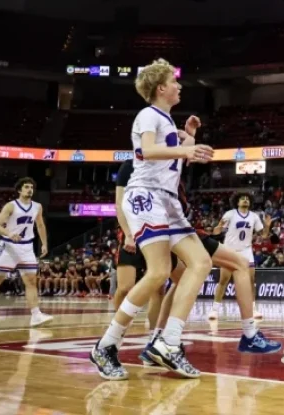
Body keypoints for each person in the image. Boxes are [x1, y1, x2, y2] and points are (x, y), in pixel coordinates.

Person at [88, 58, 215, 381]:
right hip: (145, 196)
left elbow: (169, 154)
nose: (179, 86)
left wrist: (187, 138)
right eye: (174, 82)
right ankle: (107, 344)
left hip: (168, 201)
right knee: (158, 272)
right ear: (161, 88)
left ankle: (169, 342)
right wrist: (186, 150)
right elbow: (146, 151)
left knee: (200, 263)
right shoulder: (148, 114)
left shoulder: (166, 121)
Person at [143, 115, 281, 362]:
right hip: (178, 226)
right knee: (235, 265)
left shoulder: (157, 164)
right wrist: (188, 139)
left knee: (179, 281)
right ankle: (248, 334)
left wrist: (189, 135)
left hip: (161, 225)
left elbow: (182, 156)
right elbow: (182, 154)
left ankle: (155, 340)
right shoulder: (160, 161)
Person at [0, 177, 52, 330]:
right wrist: (9, 234)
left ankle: (36, 315)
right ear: (19, 190)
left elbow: (40, 225)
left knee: (31, 282)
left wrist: (44, 244)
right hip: (9, 246)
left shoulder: (37, 206)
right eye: (26, 187)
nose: (29, 190)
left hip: (27, 247)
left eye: (31, 187)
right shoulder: (11, 206)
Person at [112, 159, 167, 343]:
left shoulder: (163, 167)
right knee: (125, 287)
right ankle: (117, 329)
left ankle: (154, 336)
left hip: (155, 231)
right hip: (132, 231)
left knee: (158, 289)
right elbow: (119, 204)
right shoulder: (128, 166)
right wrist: (128, 234)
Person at [208, 191, 270, 320]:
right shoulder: (230, 214)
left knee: (251, 281)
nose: (245, 200)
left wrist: (267, 226)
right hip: (229, 250)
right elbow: (216, 232)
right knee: (223, 280)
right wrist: (218, 227)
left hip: (246, 250)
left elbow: (263, 236)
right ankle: (215, 310)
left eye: (247, 199)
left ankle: (253, 309)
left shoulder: (254, 216)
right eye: (242, 198)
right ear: (237, 202)